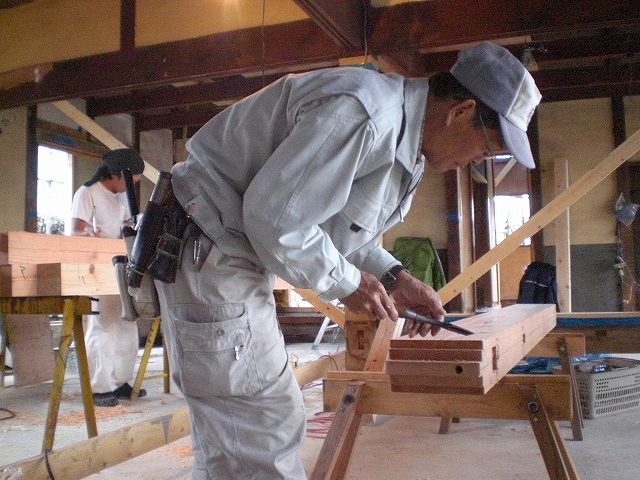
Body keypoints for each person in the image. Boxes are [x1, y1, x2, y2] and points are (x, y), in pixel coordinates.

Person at [152, 41, 541, 479]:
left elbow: (335, 231)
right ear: (460, 111)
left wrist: (395, 277)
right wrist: (349, 284)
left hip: (225, 249)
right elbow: (275, 222)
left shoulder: (408, 146)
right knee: (262, 427)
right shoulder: (363, 114)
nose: (474, 162)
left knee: (239, 439)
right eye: (484, 150)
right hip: (210, 244)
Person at [70, 148, 147, 407]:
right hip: (98, 267)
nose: (132, 186)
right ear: (115, 175)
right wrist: (94, 238)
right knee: (103, 326)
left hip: (121, 265)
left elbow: (125, 224)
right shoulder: (87, 193)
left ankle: (121, 381)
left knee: (127, 323)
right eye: (131, 181)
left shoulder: (122, 196)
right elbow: (76, 231)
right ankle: (99, 387)